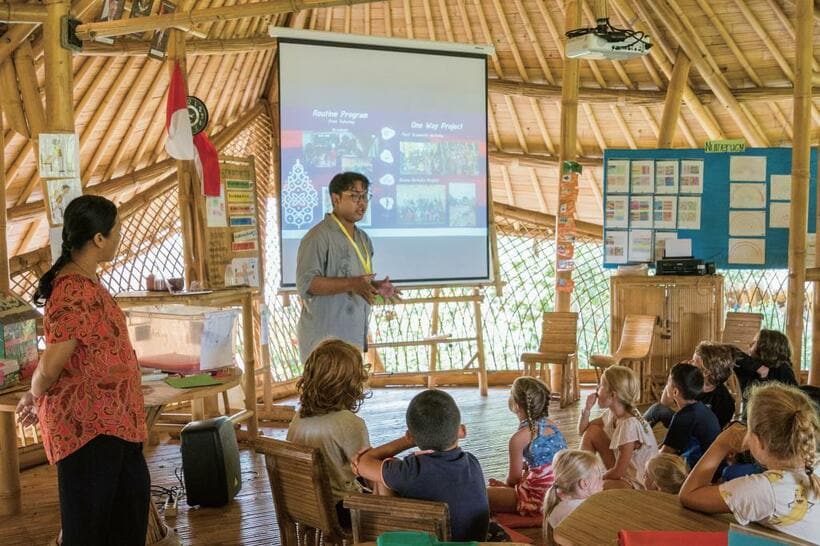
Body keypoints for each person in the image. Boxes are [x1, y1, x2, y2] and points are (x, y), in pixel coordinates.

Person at [15, 195, 150, 546]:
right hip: (88, 429)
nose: (119, 236)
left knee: (127, 520)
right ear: (98, 239)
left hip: (116, 425)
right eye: (115, 230)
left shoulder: (86, 282)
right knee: (88, 531)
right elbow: (53, 362)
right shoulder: (71, 290)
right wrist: (33, 392)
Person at [680, 383, 819, 543]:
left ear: (759, 444)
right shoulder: (814, 466)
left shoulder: (761, 490)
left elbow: (688, 495)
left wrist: (722, 443)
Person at [352, 389, 489, 541]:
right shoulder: (472, 462)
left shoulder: (412, 470)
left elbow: (362, 464)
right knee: (387, 472)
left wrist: (408, 441)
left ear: (410, 436)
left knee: (384, 477)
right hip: (475, 543)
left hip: (434, 542)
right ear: (462, 431)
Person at [295, 172, 397, 363]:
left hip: (352, 337)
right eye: (354, 196)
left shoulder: (363, 238)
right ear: (335, 199)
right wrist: (352, 283)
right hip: (324, 342)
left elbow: (356, 280)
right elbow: (307, 284)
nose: (362, 203)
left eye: (365, 196)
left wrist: (375, 286)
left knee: (350, 392)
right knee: (325, 392)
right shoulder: (318, 236)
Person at [286, 339, 371, 526]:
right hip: (339, 510)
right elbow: (367, 470)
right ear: (352, 383)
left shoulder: (299, 417)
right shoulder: (350, 423)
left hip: (303, 504)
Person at [487, 377, 567, 516]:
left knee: (484, 495)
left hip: (543, 497)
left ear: (516, 405)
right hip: (564, 491)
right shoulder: (552, 425)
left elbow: (513, 479)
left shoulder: (518, 439)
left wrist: (507, 488)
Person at [578, 366, 658, 489]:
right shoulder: (613, 413)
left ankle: (585, 483)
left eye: (601, 385)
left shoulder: (629, 424)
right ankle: (581, 475)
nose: (597, 389)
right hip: (625, 471)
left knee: (596, 488)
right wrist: (587, 409)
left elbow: (618, 472)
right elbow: (583, 431)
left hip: (638, 482)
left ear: (612, 395)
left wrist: (597, 479)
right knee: (592, 432)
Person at [644, 343, 735, 430]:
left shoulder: (723, 400)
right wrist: (673, 377)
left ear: (706, 372)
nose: (689, 362)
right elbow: (664, 403)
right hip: (685, 423)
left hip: (699, 438)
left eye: (694, 361)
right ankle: (634, 434)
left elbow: (714, 434)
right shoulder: (687, 381)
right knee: (657, 409)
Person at [657, 363, 721, 469]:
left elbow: (664, 455)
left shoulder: (684, 417)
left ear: (675, 392)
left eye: (668, 382)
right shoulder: (703, 409)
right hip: (713, 466)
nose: (666, 385)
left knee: (652, 464)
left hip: (700, 472)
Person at [543, 449, 605, 543]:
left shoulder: (559, 504)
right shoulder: (583, 511)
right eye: (600, 478)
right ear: (584, 484)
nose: (603, 482)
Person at [732, 329, 797, 411]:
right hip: (751, 419)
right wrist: (757, 367)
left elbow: (794, 399)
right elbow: (725, 351)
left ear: (766, 347)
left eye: (755, 342)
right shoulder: (747, 365)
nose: (750, 344)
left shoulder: (783, 368)